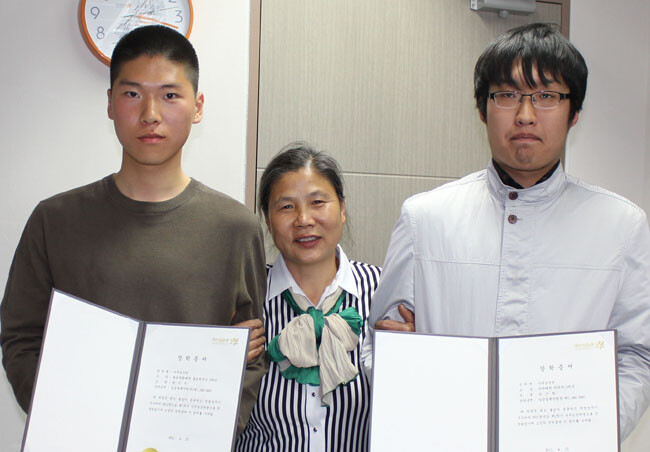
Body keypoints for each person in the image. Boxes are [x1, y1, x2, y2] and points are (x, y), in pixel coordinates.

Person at [363, 23, 650, 440]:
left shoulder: (620, 225)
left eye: (547, 96)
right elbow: (380, 345)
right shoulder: (425, 219)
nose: (525, 115)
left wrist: (588, 436)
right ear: (482, 110)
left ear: (574, 113)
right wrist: (405, 365)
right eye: (507, 95)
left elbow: (637, 357)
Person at [0, 25, 267, 436]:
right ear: (110, 103)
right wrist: (64, 416)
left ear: (198, 107)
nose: (150, 114)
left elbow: (249, 355)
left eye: (170, 95)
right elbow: (20, 337)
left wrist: (206, 431)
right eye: (132, 94)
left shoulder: (236, 228)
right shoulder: (54, 220)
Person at [235, 142, 381, 451]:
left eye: (317, 202)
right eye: (286, 207)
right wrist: (221, 357)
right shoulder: (245, 299)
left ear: (342, 209)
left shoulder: (382, 293)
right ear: (267, 220)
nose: (303, 219)